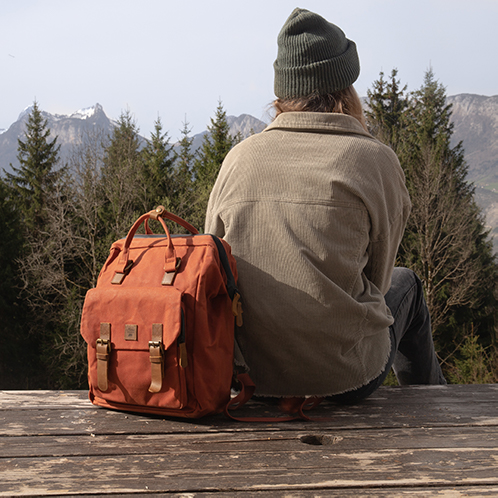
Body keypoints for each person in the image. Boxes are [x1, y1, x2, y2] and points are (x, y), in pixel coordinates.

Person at [205, 7, 446, 401]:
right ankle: (431, 406)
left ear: (282, 92)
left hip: (250, 378)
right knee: (407, 285)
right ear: (345, 85)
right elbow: (379, 279)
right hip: (344, 380)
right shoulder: (375, 160)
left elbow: (212, 263)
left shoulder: (240, 158)